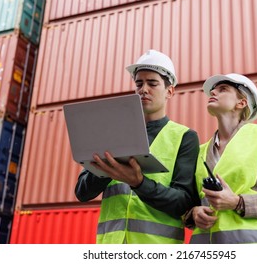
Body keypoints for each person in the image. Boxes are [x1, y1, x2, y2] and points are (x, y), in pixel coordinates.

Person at [75, 49, 200, 244]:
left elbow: (183, 203)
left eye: (152, 83)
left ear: (170, 91)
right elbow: (82, 192)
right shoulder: (112, 133)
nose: (144, 89)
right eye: (139, 83)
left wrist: (139, 183)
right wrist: (107, 168)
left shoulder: (185, 137)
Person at [185, 73, 257, 244]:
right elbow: (191, 202)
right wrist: (193, 214)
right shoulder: (200, 151)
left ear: (242, 102)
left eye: (222, 89)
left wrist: (237, 202)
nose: (213, 93)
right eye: (212, 91)